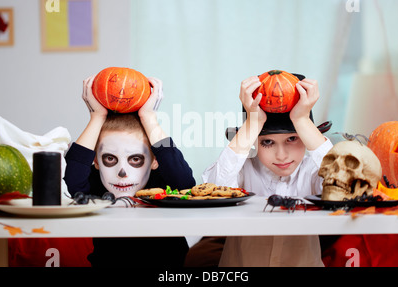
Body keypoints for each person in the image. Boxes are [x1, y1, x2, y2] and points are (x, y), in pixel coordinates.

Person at [64, 75, 195, 267]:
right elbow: (70, 180)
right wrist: (96, 117)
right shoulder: (94, 185)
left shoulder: (162, 184)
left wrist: (149, 119)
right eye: (110, 158)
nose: (122, 172)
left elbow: (185, 183)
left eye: (135, 159)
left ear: (155, 161)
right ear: (96, 161)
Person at [202, 74, 333, 267]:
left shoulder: (315, 171)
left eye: (292, 139)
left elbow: (347, 184)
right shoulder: (243, 170)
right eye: (268, 142)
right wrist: (252, 123)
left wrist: (302, 120)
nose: (281, 155)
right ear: (254, 140)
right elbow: (212, 189)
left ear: (306, 136)